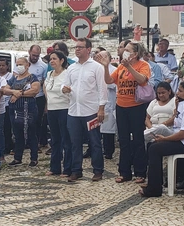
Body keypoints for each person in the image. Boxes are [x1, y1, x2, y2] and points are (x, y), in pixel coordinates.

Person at [139, 81, 184, 198]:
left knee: (155, 149)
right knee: (153, 144)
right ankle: (155, 182)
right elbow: (178, 123)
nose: (177, 93)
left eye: (180, 91)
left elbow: (183, 134)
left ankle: (154, 189)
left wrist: (165, 139)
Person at [99, 41, 151, 184]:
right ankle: (125, 171)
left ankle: (140, 172)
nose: (124, 52)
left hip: (137, 106)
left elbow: (142, 80)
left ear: (135, 53)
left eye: (128, 50)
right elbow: (109, 80)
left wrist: (130, 67)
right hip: (121, 105)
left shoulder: (143, 65)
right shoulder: (121, 66)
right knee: (123, 140)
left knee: (138, 139)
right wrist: (105, 67)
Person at [63, 38, 107, 182]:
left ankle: (98, 170)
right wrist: (65, 89)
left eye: (80, 47)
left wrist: (101, 108)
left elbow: (102, 89)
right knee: (75, 142)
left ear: (88, 49)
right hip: (74, 111)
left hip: (91, 111)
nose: (77, 49)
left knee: (94, 142)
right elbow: (66, 85)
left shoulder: (96, 67)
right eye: (76, 47)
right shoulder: (71, 67)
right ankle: (76, 170)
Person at [4, 56, 41, 166]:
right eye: (17, 64)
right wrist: (13, 92)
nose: (19, 66)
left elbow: (35, 90)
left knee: (31, 133)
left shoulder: (32, 78)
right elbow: (5, 90)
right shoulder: (14, 78)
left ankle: (33, 158)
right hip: (14, 109)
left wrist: (19, 94)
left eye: (21, 64)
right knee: (17, 133)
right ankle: (17, 157)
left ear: (27, 65)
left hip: (28, 109)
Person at [44, 50, 72, 177]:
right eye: (51, 59)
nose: (52, 61)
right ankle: (54, 167)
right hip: (52, 109)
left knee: (66, 139)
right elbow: (46, 88)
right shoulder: (49, 74)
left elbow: (69, 90)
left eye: (55, 58)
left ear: (62, 60)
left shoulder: (67, 74)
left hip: (64, 108)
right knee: (55, 139)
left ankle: (68, 168)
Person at [27, 45, 49, 153]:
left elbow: (45, 81)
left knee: (37, 121)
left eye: (37, 56)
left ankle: (37, 143)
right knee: (27, 121)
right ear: (29, 52)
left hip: (38, 97)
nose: (35, 57)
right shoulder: (23, 64)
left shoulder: (43, 66)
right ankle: (28, 143)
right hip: (25, 96)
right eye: (33, 55)